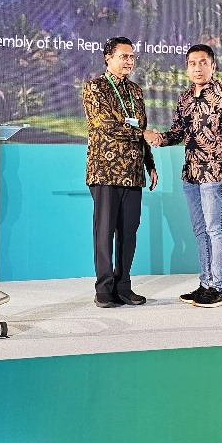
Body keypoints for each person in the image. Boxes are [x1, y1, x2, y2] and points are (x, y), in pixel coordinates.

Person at [145, 44, 222, 307]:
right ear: (187, 68)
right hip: (191, 175)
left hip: (215, 173)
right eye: (192, 63)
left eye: (203, 62)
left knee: (216, 229)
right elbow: (178, 133)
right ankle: (206, 284)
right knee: (201, 231)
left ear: (213, 66)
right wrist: (158, 138)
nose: (197, 68)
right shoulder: (185, 99)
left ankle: (221, 289)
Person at [83, 36, 157, 308]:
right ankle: (104, 288)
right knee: (104, 232)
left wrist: (150, 164)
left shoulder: (135, 91)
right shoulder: (95, 87)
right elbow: (105, 125)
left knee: (129, 232)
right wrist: (143, 134)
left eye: (131, 57)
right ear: (108, 58)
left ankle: (123, 286)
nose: (129, 61)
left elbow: (142, 130)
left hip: (133, 172)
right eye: (123, 56)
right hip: (105, 171)